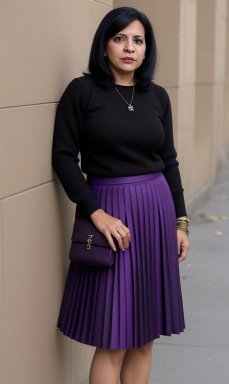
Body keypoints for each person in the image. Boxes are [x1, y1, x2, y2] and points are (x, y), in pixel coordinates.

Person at [52, 6, 190, 384]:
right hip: (110, 213)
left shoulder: (157, 97)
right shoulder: (82, 92)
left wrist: (180, 221)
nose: (129, 47)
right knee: (113, 339)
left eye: (138, 40)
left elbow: (169, 161)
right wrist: (96, 213)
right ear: (105, 45)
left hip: (155, 212)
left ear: (147, 50)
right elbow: (63, 158)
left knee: (144, 338)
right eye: (120, 38)